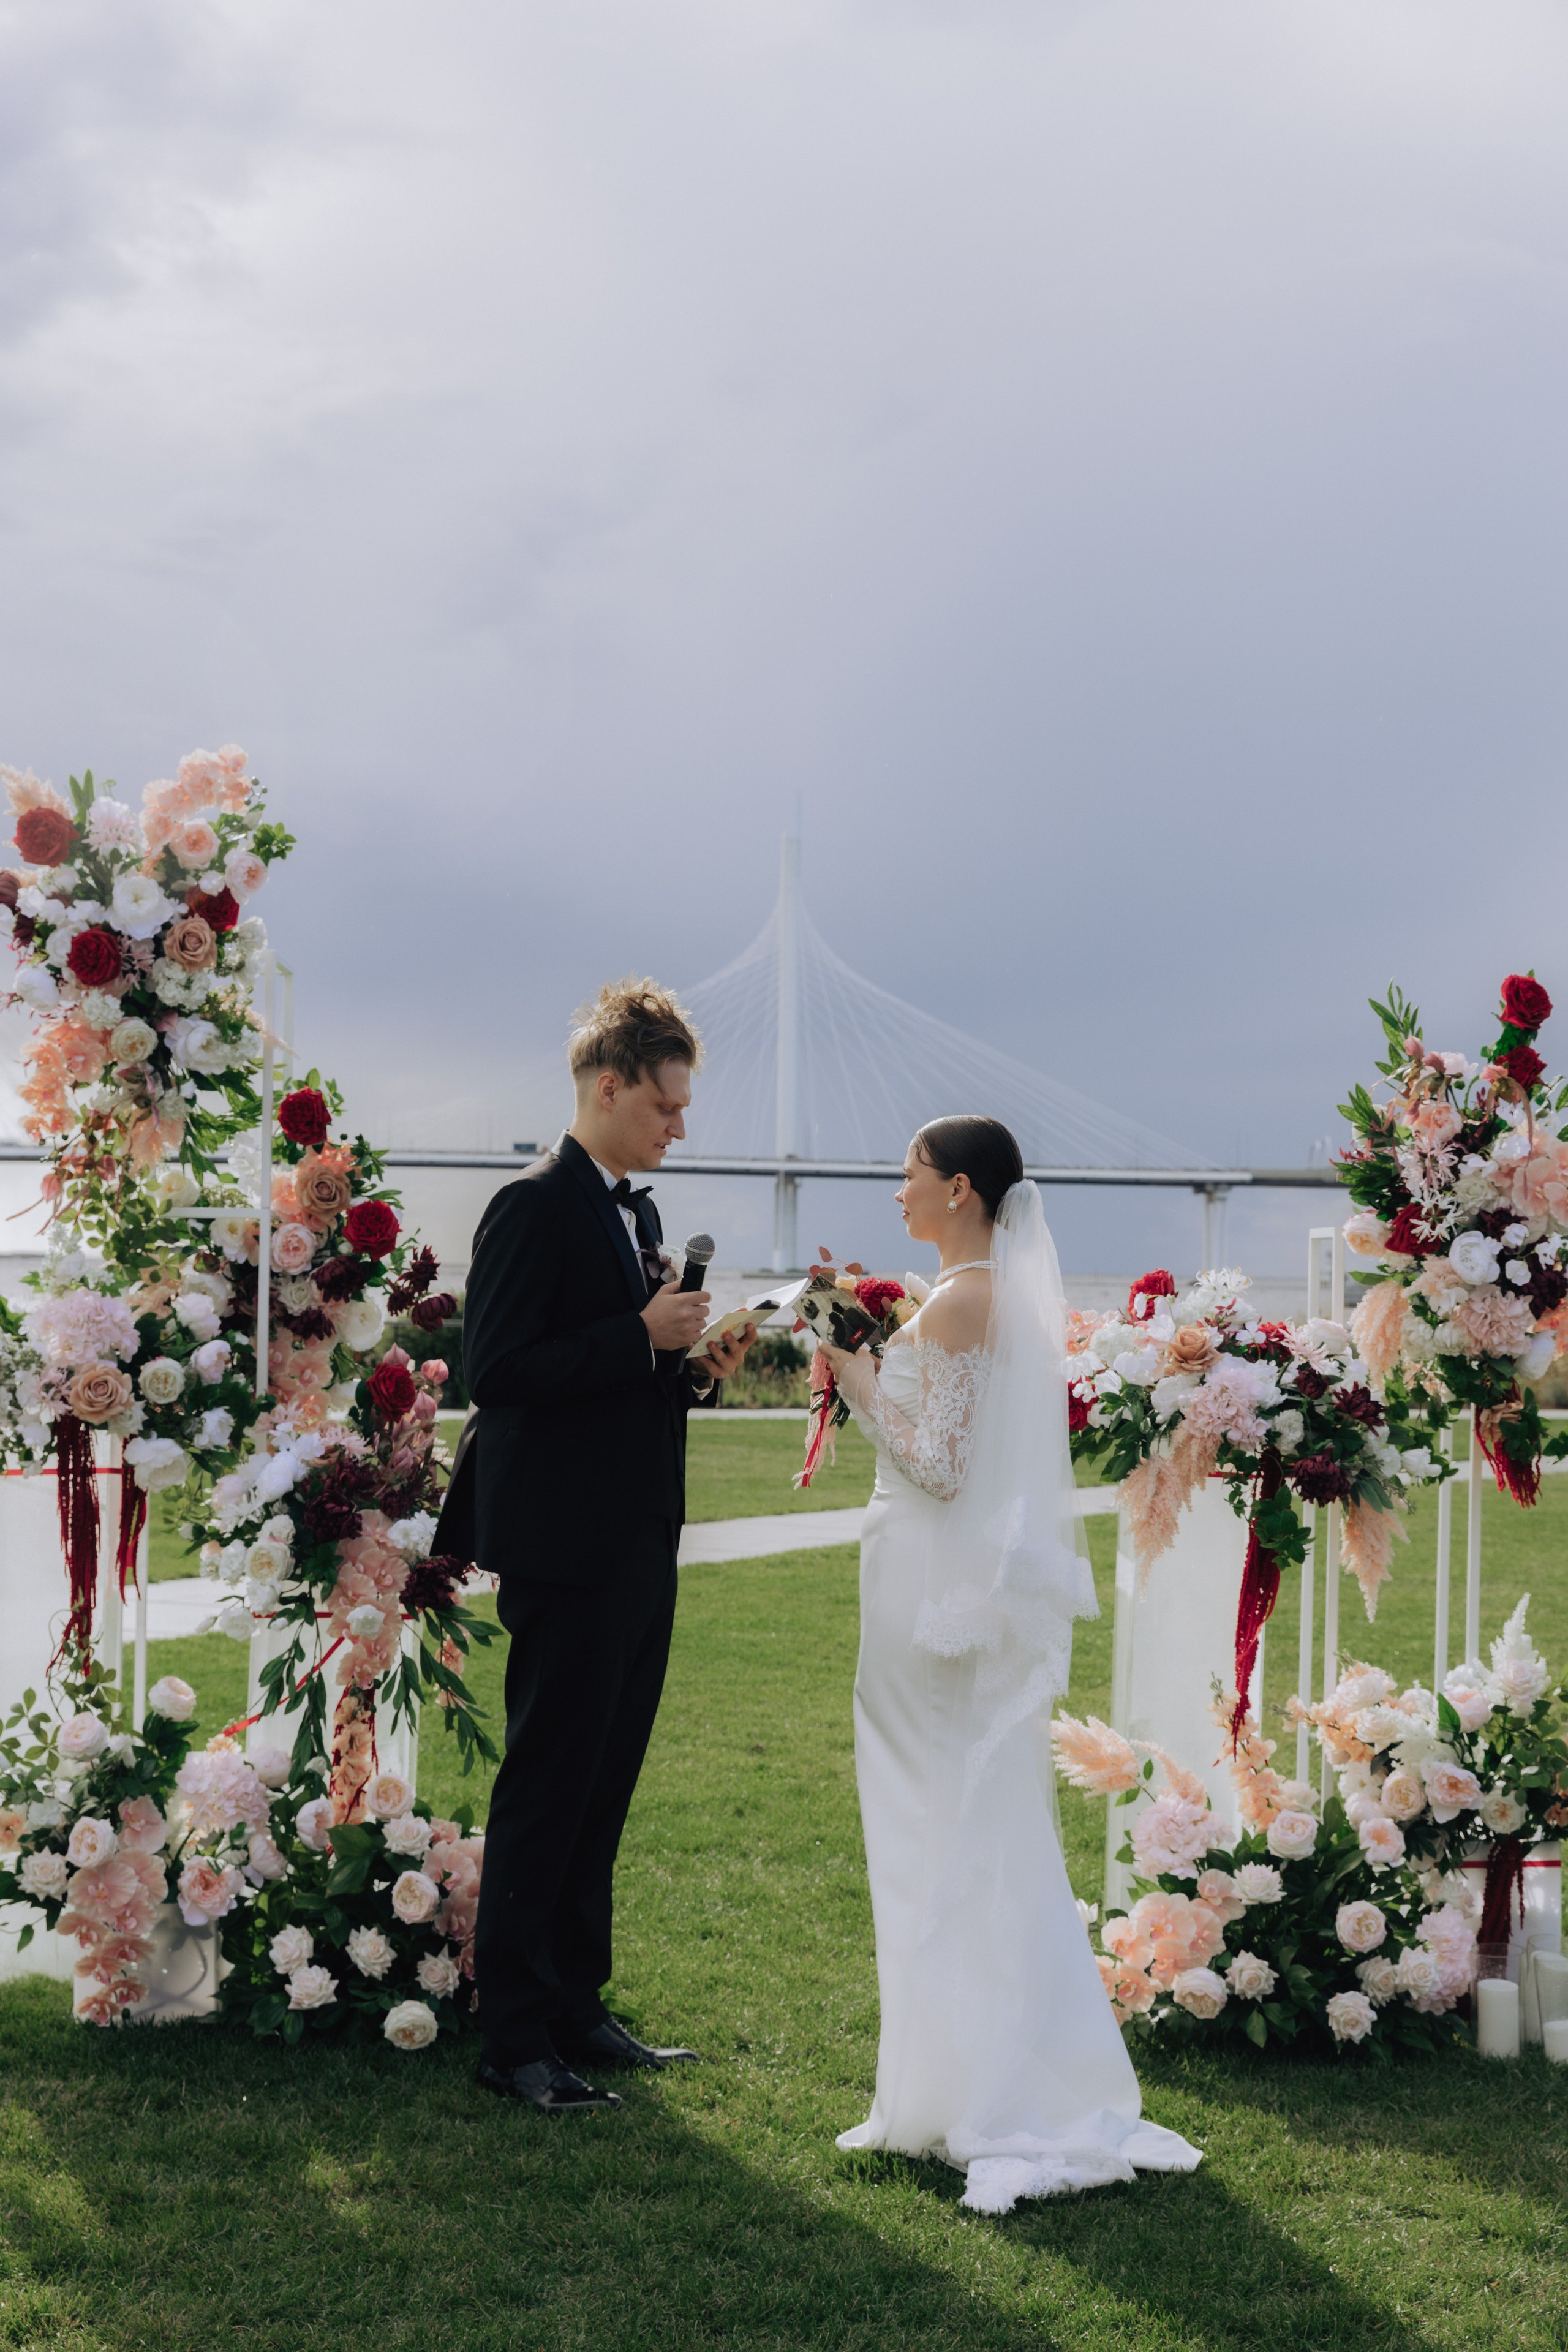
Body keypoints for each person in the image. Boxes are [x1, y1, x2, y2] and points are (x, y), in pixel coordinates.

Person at [816, 1115, 1202, 2212]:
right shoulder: (976, 1298)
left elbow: (937, 1465)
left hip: (922, 1580)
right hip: (931, 1581)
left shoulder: (964, 1298)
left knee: (929, 1820)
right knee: (954, 1816)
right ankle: (945, 2077)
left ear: (962, 1190)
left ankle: (956, 2089)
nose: (898, 1194)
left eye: (911, 1176)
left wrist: (853, 1376)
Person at [454, 979, 758, 2114]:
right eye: (667, 1106)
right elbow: (500, 1371)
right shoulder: (532, 1205)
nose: (679, 1127)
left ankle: (578, 2002)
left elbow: (618, 1382)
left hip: (637, 1536)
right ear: (610, 1083)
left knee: (605, 1781)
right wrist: (633, 1332)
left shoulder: (629, 1213)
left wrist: (687, 1370)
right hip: (565, 1544)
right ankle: (514, 2037)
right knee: (549, 1782)